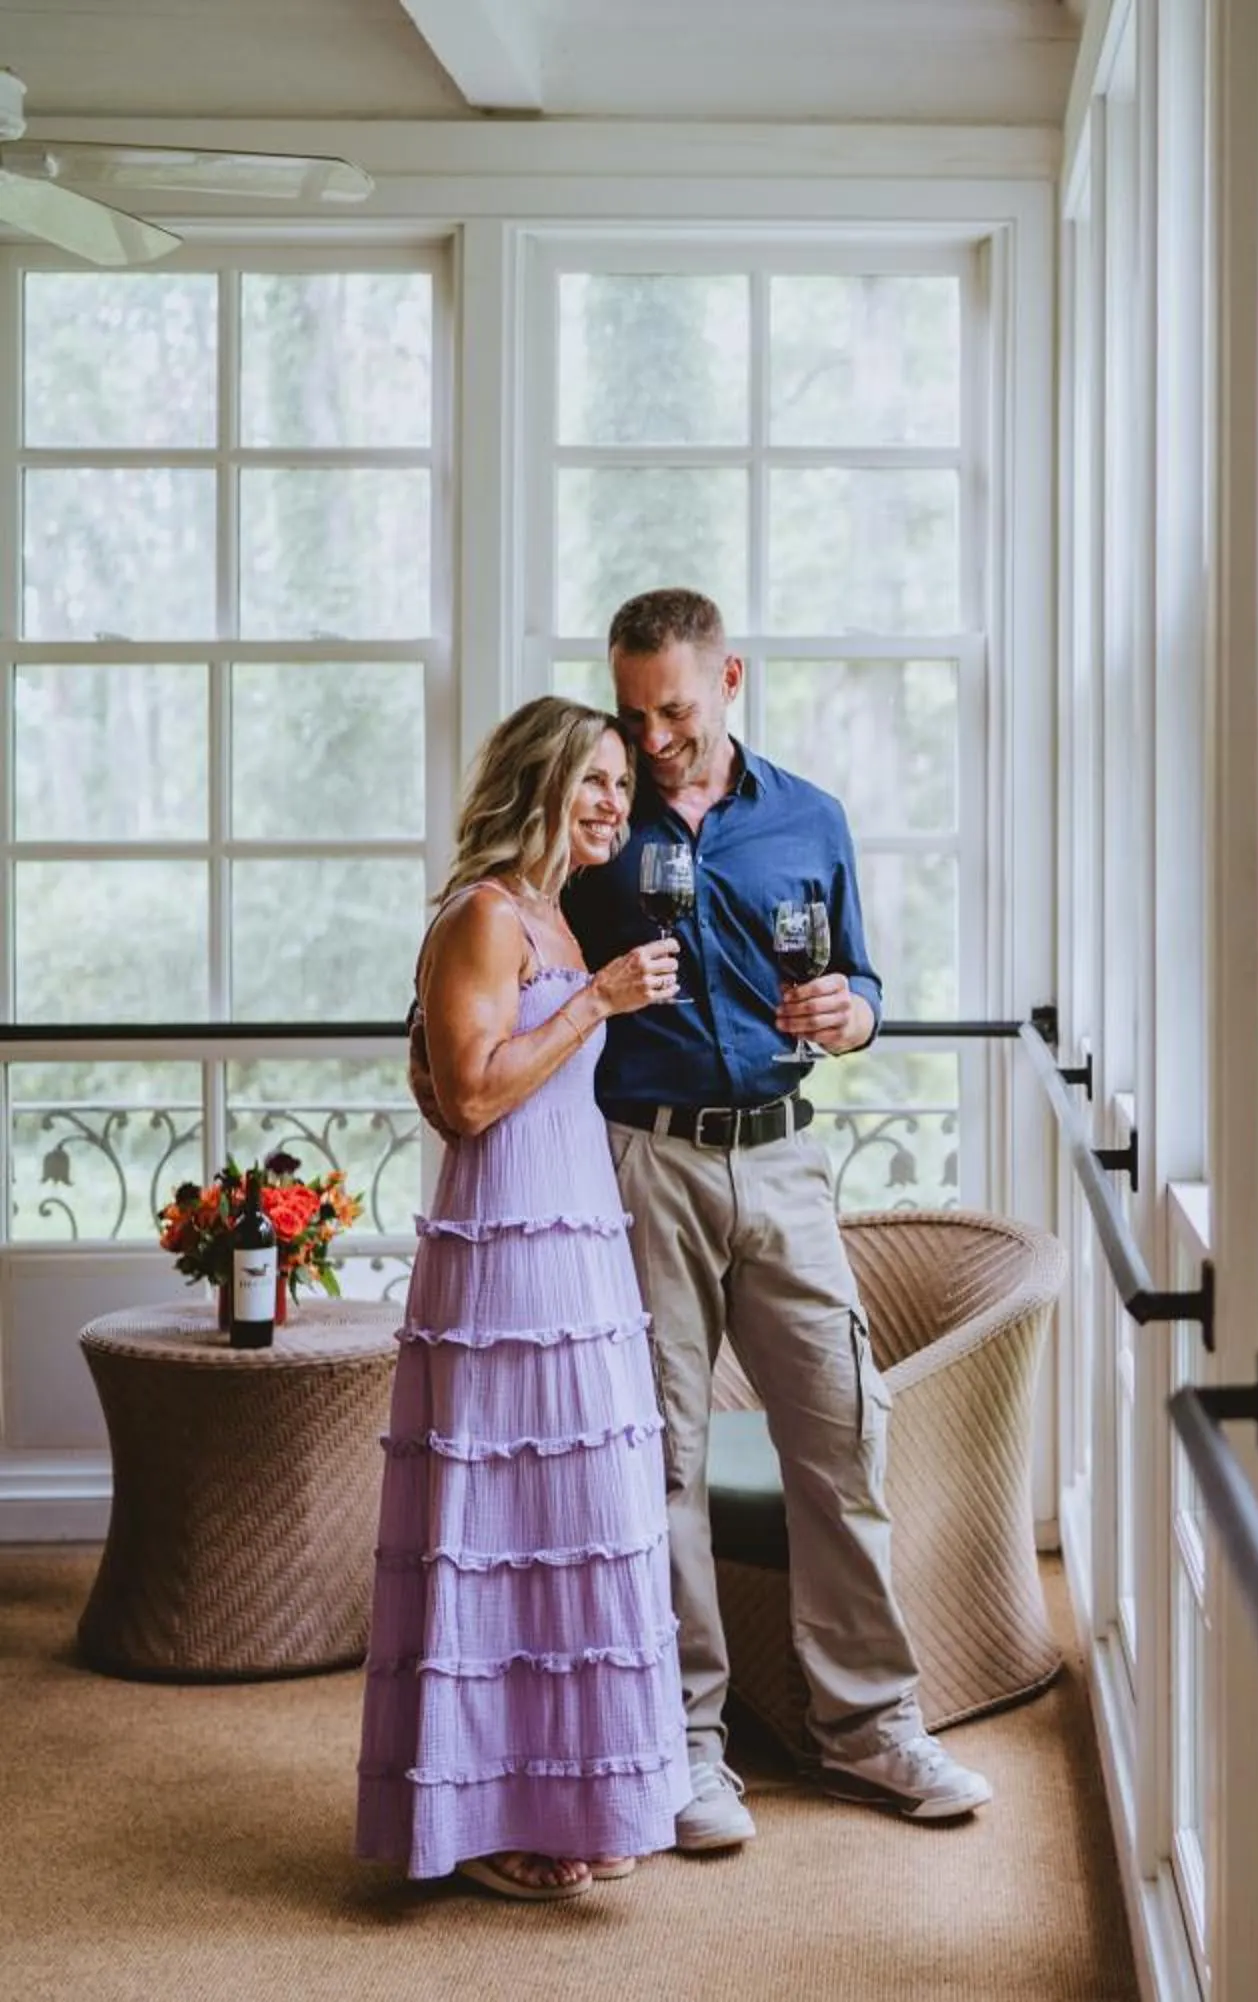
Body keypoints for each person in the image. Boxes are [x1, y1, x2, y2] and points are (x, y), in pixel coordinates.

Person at [565, 586, 990, 1847]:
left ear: (730, 677)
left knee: (842, 1440)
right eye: (633, 713)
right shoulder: (593, 819)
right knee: (666, 1465)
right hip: (646, 1163)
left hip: (788, 1161)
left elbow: (860, 980)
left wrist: (855, 1014)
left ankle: (871, 1731)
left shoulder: (810, 817)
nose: (651, 741)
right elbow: (517, 938)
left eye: (675, 711)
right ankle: (687, 1750)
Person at [357, 697, 689, 1901]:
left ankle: (566, 1796)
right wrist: (597, 1000)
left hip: (580, 1245)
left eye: (620, 784)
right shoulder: (485, 916)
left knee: (576, 1525)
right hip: (503, 1252)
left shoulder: (553, 912)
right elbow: (475, 1095)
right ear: (535, 784)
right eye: (591, 782)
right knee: (496, 1534)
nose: (614, 802)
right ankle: (484, 1815)